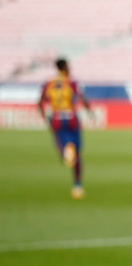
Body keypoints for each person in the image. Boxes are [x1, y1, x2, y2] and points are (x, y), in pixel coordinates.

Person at [37, 58, 93, 199]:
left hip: (57, 118)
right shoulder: (71, 82)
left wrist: (45, 116)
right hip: (72, 118)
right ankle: (77, 185)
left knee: (66, 152)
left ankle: (66, 152)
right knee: (77, 153)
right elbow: (82, 97)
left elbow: (40, 101)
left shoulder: (49, 83)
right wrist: (89, 111)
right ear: (64, 67)